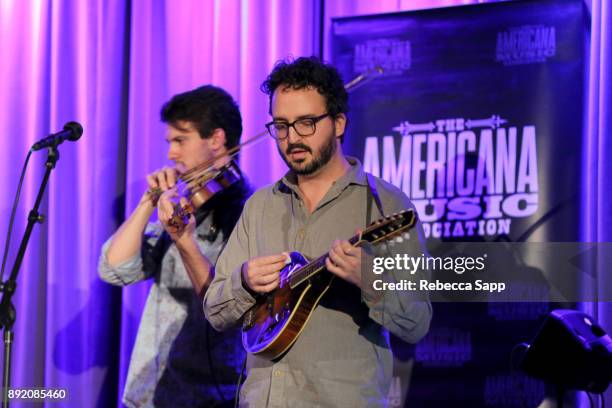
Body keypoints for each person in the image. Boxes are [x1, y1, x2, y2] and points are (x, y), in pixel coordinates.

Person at [204, 57, 432, 407]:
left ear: (338, 123)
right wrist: (244, 280)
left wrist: (369, 279)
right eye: (281, 126)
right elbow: (215, 311)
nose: (292, 138)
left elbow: (416, 322)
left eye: (306, 123)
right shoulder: (261, 205)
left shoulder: (387, 205)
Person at [98, 85, 252, 408]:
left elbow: (233, 305)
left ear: (217, 139)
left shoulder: (249, 213)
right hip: (150, 392)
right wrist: (147, 202)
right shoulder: (183, 204)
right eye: (169, 142)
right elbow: (114, 269)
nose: (171, 154)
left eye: (180, 140)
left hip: (212, 396)